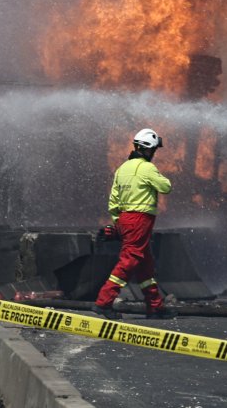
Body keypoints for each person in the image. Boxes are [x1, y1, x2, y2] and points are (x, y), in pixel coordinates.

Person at [92, 128, 176, 320]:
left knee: (145, 264)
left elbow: (113, 201)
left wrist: (119, 224)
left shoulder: (122, 169)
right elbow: (166, 187)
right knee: (129, 260)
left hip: (124, 219)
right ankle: (103, 302)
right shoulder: (147, 168)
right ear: (148, 150)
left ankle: (155, 306)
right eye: (154, 150)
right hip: (140, 220)